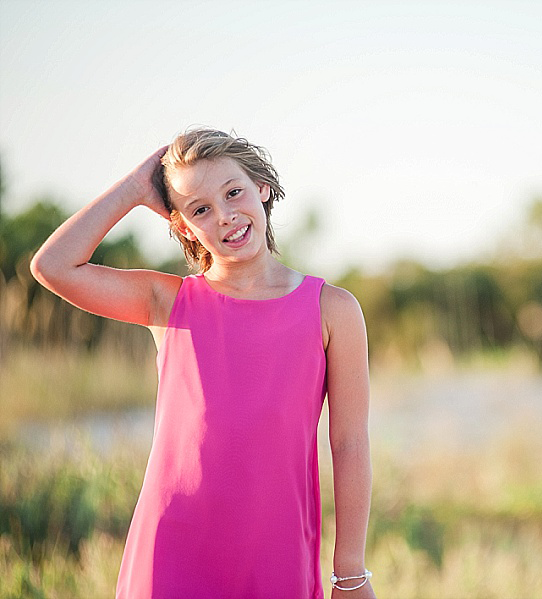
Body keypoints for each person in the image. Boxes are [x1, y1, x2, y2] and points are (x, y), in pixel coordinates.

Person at [30, 128, 376, 599]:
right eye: (200, 210)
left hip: (275, 555)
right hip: (170, 551)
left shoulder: (331, 309)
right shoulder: (166, 301)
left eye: (233, 192)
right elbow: (53, 265)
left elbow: (350, 444)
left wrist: (350, 572)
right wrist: (134, 188)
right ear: (183, 228)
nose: (226, 216)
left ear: (262, 188)